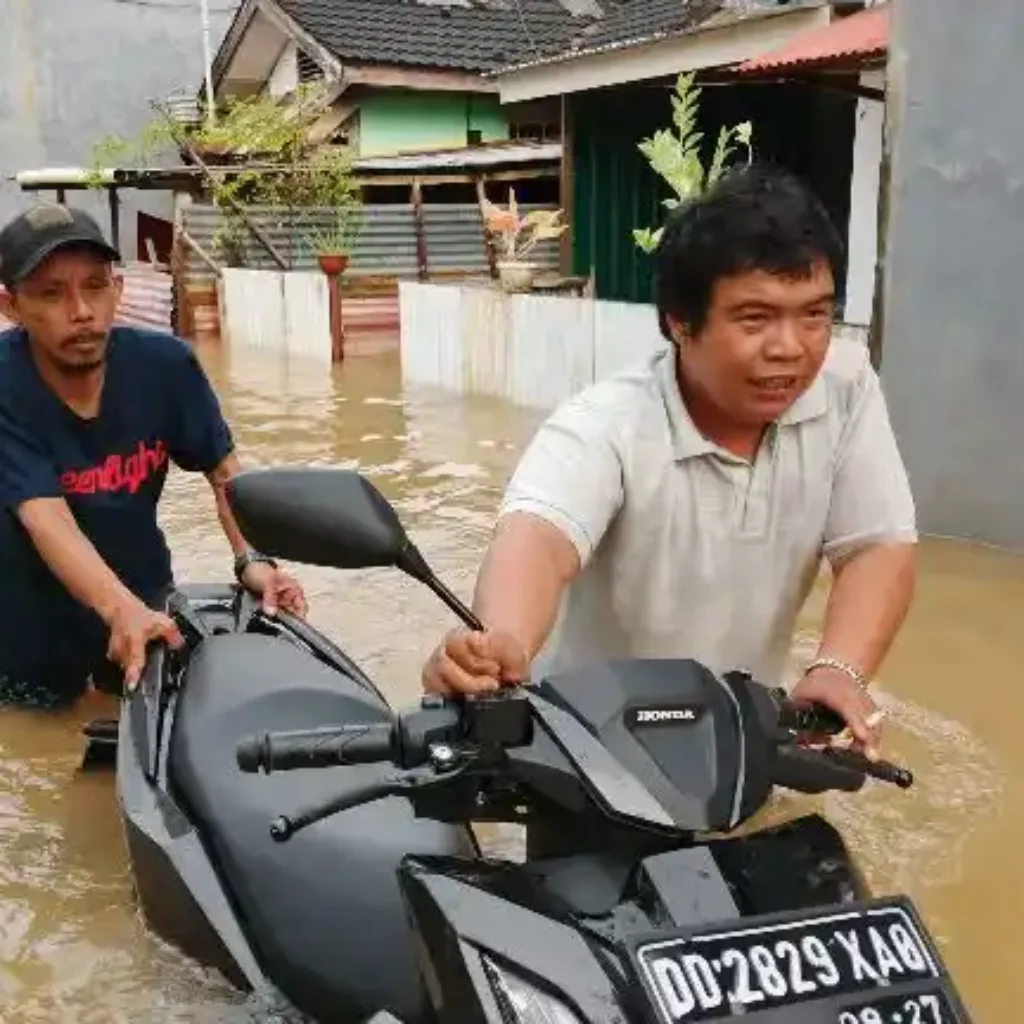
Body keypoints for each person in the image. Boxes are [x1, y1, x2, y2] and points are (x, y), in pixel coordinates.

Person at [422, 165, 917, 757]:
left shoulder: (846, 387)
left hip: (742, 742)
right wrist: (500, 643)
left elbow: (876, 545)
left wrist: (839, 668)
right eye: (755, 318)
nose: (792, 347)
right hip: (587, 747)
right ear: (680, 322)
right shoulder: (605, 424)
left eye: (814, 314)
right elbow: (539, 537)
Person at [0, 202, 307, 709]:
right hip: (28, 627)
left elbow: (224, 472)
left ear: (117, 290)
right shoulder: (7, 387)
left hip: (144, 593)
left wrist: (252, 558)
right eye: (52, 293)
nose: (81, 311)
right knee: (43, 753)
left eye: (95, 286)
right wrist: (121, 611)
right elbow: (45, 516)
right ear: (11, 307)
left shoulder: (165, 367)